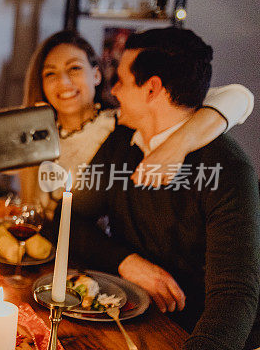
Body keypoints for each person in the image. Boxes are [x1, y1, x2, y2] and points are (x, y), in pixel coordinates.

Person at [66, 27, 260, 350]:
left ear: (152, 88)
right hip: (155, 327)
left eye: (120, 79)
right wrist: (127, 262)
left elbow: (238, 290)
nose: (113, 90)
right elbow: (68, 221)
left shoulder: (226, 169)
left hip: (225, 344)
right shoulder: (123, 142)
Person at [20, 30, 253, 217]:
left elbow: (236, 96)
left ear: (97, 75)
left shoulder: (121, 124)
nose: (63, 81)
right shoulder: (31, 134)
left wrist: (179, 144)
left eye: (74, 68)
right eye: (50, 74)